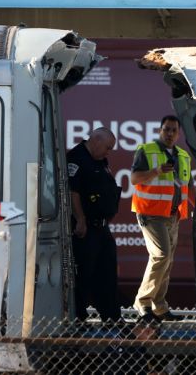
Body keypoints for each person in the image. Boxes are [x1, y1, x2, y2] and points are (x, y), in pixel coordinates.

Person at [131, 115, 192, 322]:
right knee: (161, 255)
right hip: (150, 213)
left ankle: (158, 306)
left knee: (167, 260)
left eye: (174, 130)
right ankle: (143, 301)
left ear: (178, 133)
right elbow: (134, 178)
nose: (170, 134)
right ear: (160, 130)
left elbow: (186, 186)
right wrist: (156, 171)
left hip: (172, 215)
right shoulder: (146, 150)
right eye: (166, 129)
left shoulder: (183, 155)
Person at [67, 127, 123, 323]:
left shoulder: (101, 160)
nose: (108, 152)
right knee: (84, 274)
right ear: (96, 141)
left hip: (101, 227)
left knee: (107, 271)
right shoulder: (77, 158)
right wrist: (80, 219)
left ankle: (111, 317)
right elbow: (73, 192)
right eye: (107, 148)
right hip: (86, 228)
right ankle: (79, 318)